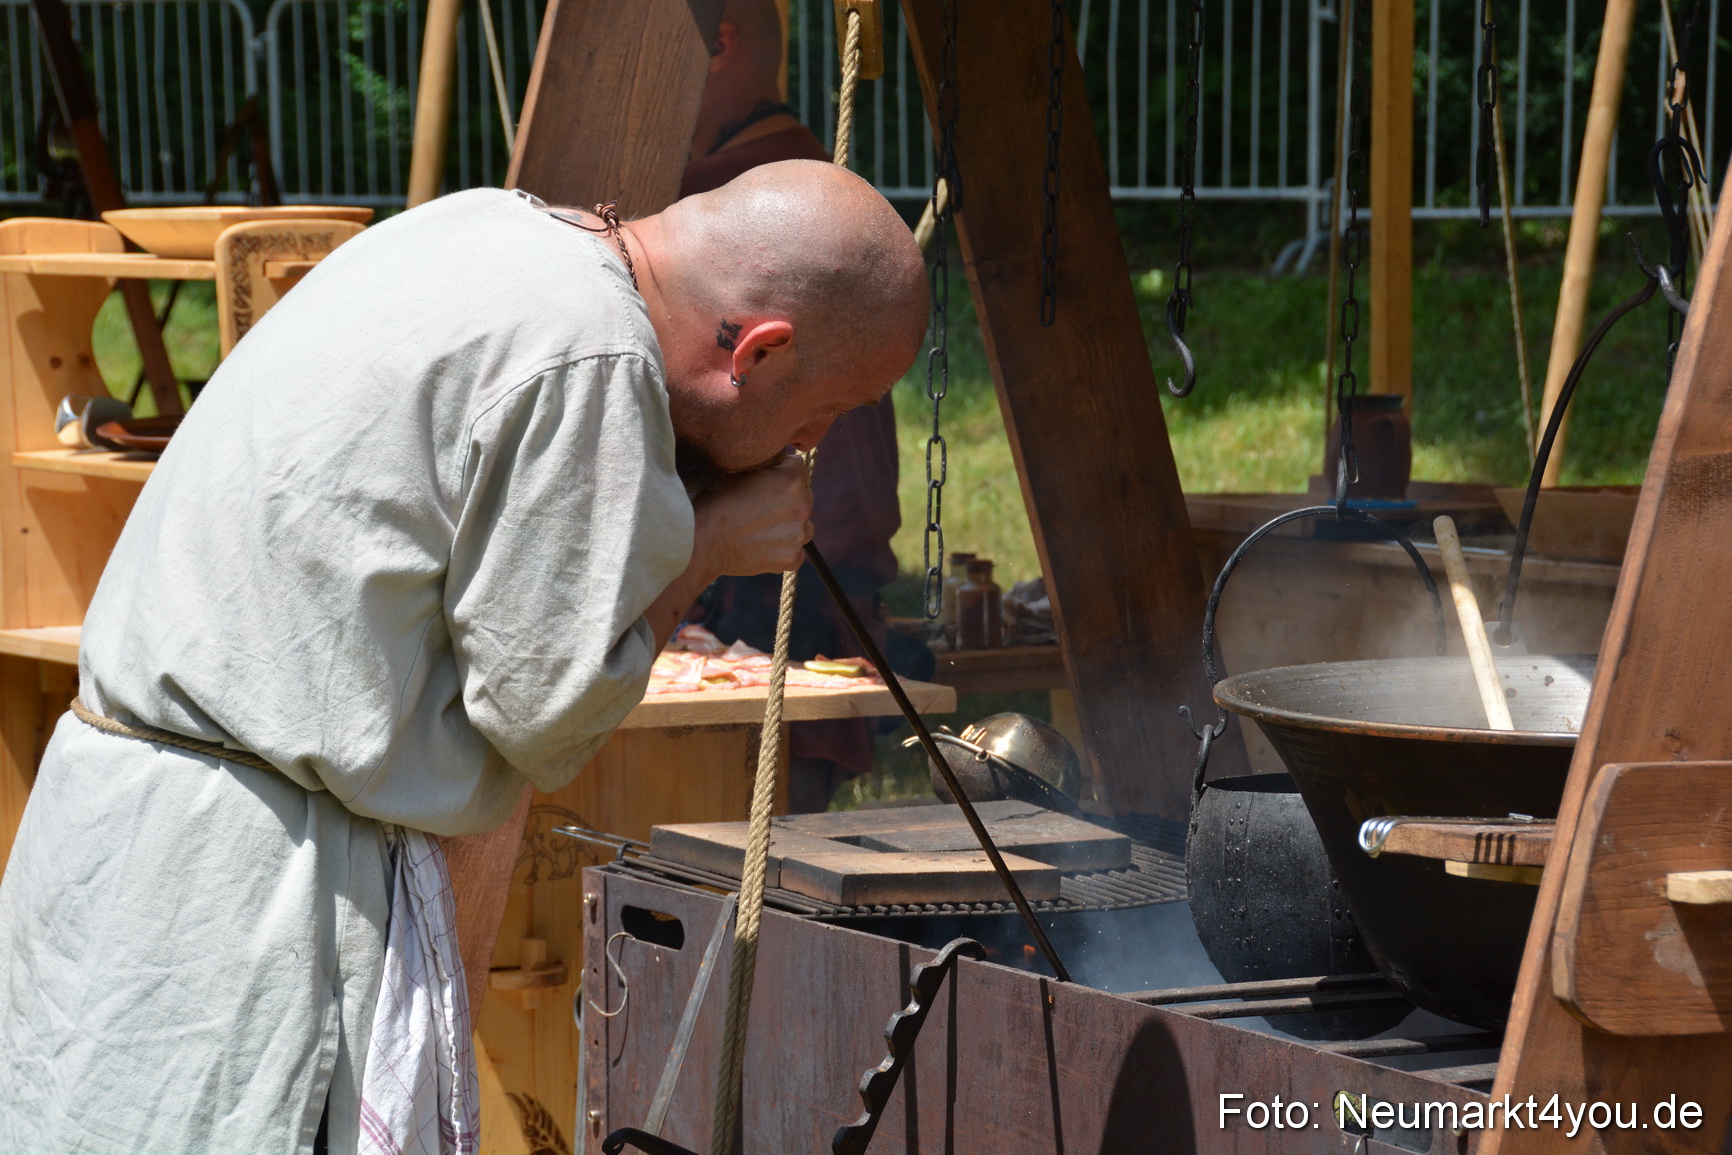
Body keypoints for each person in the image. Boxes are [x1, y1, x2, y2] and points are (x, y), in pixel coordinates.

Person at [0, 160, 927, 1155]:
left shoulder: (484, 226)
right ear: (758, 348)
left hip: (122, 834)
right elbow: (541, 712)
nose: (816, 439)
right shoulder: (592, 355)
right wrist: (708, 546)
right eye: (825, 406)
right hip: (245, 905)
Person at [683, 0, 927, 812]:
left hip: (788, 583)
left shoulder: (772, 198)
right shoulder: (733, 184)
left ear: (720, 45)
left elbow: (838, 471)